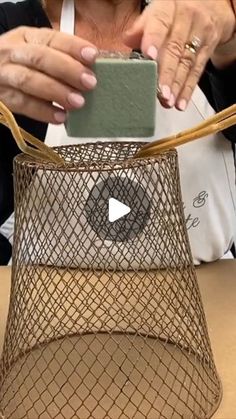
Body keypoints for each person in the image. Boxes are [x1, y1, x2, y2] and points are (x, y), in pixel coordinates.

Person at [0, 0, 235, 265]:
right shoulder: (10, 29)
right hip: (48, 293)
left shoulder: (199, 21)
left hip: (209, 290)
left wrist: (230, 40)